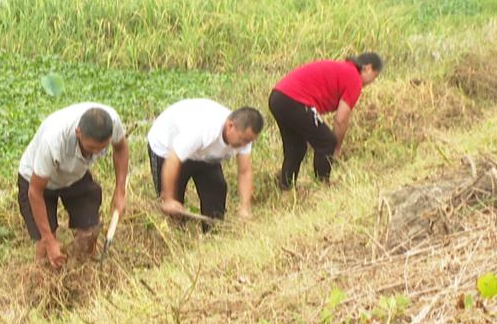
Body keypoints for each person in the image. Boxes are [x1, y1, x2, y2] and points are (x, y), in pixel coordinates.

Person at [17, 103, 129, 268]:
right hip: (37, 180)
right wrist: (49, 240)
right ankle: (43, 283)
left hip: (75, 175)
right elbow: (35, 192)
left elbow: (121, 148)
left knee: (90, 230)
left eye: (101, 149)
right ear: (78, 133)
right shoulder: (54, 140)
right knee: (45, 246)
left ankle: (82, 271)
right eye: (91, 148)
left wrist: (120, 191)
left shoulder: (112, 120)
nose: (96, 154)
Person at [269, 52, 383, 189]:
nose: (371, 82)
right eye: (374, 77)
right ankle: (323, 185)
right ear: (368, 68)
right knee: (327, 142)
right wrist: (337, 147)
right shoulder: (354, 78)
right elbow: (341, 119)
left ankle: (285, 188)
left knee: (296, 147)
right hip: (295, 99)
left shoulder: (344, 70)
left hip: (278, 98)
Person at [147, 100, 263, 229]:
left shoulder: (244, 136)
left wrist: (245, 207)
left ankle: (213, 235)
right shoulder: (205, 128)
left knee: (216, 191)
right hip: (168, 149)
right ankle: (178, 234)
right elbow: (173, 160)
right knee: (173, 206)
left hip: (203, 153)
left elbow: (245, 171)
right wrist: (168, 199)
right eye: (243, 140)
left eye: (248, 141)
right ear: (230, 126)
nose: (244, 145)